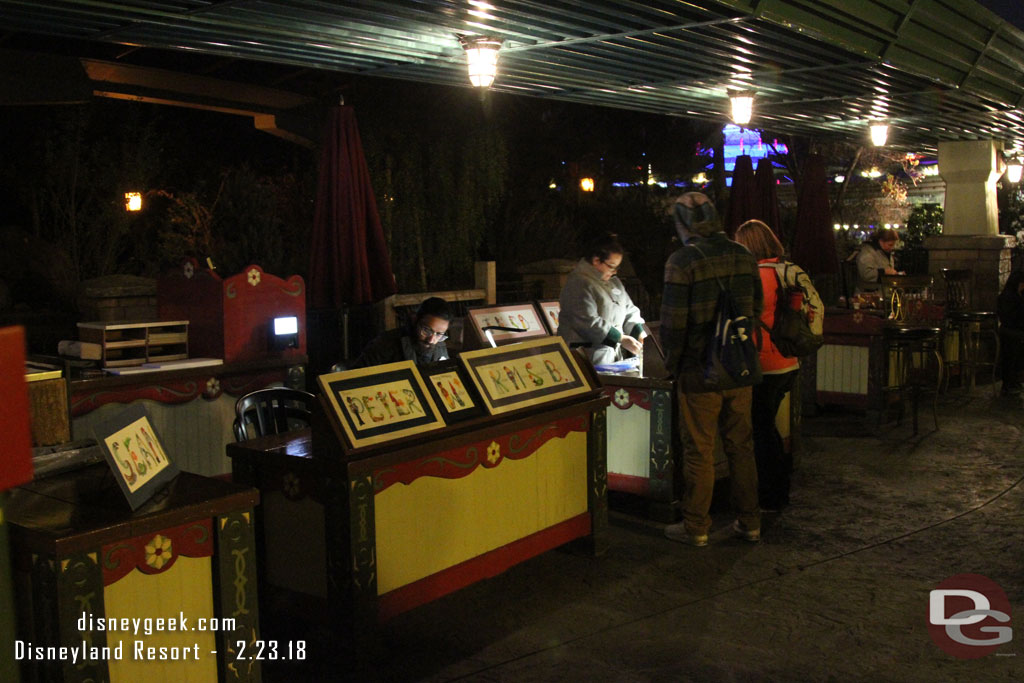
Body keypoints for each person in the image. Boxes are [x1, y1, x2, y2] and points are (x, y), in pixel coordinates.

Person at [661, 192, 763, 547]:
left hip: (698, 371)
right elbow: (757, 308)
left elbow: (674, 326)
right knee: (741, 446)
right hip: (739, 368)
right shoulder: (744, 254)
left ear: (683, 222)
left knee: (699, 451)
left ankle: (696, 527)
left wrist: (673, 365)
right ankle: (750, 522)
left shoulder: (682, 261)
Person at [733, 219, 823, 512]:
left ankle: (772, 495)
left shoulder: (755, 275)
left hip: (765, 363)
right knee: (768, 427)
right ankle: (778, 490)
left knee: (761, 431)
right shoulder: (790, 270)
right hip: (790, 361)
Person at [557, 233, 645, 366]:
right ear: (596, 261)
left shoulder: (614, 282)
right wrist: (620, 338)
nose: (615, 272)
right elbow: (587, 321)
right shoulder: (578, 283)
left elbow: (629, 310)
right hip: (585, 358)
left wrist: (639, 333)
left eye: (617, 267)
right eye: (611, 266)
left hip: (610, 358)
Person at [349, 296, 451, 369]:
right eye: (427, 330)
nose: (431, 340)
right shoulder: (386, 343)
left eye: (439, 334)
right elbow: (357, 375)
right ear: (415, 319)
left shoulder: (440, 346)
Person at [997, 269, 1024, 396]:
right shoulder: (1008, 297)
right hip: (1010, 331)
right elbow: (1009, 317)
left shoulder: (1018, 296)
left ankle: (1015, 379)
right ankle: (1009, 381)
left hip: (1015, 330)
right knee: (1012, 353)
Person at [855, 227, 903, 291]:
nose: (892, 248)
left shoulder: (885, 252)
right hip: (868, 294)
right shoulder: (867, 252)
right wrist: (885, 272)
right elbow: (866, 274)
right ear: (881, 241)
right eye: (890, 245)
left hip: (882, 292)